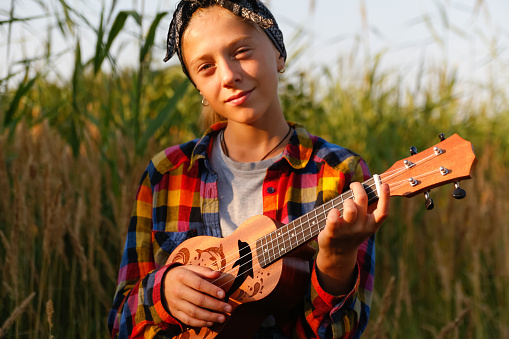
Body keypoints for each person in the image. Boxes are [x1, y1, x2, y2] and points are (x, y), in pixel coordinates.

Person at [108, 1, 390, 338]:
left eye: (241, 51)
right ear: (197, 86)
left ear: (278, 55)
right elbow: (121, 323)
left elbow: (339, 333)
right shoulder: (166, 174)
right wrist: (162, 293)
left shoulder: (339, 173)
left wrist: (337, 261)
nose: (228, 75)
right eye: (206, 67)